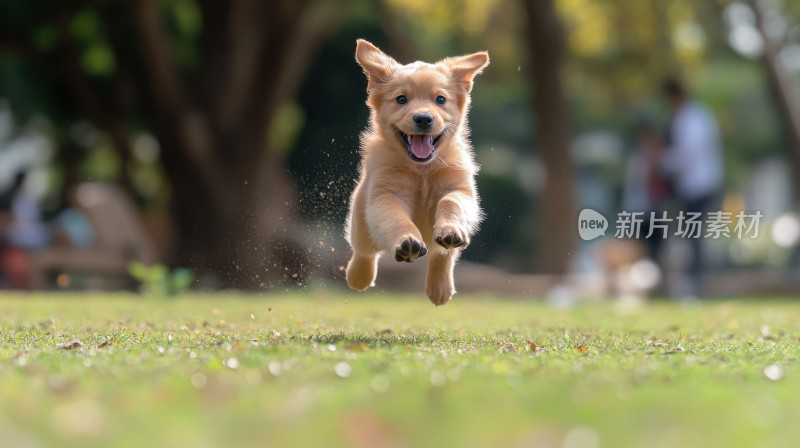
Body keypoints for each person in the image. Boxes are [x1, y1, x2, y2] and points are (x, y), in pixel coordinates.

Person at [660, 79, 723, 299]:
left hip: (697, 185)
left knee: (693, 235)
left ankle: (696, 283)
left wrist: (664, 163)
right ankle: (695, 281)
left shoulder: (689, 118)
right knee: (692, 235)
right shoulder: (697, 115)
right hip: (698, 184)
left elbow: (687, 154)